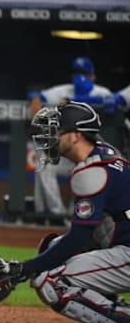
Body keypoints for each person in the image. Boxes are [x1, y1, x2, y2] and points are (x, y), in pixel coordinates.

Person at [0, 101, 130, 323]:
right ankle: (118, 314)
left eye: (56, 131)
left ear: (76, 136)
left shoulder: (92, 173)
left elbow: (77, 239)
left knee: (49, 280)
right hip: (124, 240)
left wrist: (22, 270)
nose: (49, 137)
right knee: (50, 249)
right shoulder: (105, 153)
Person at [27, 57, 114, 220]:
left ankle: (73, 216)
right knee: (45, 164)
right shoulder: (63, 91)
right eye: (77, 73)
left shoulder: (103, 93)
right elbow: (37, 97)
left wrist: (72, 102)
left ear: (93, 76)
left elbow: (111, 103)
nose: (80, 78)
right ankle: (57, 214)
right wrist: (37, 112)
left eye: (85, 74)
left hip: (93, 155)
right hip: (69, 154)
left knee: (88, 175)